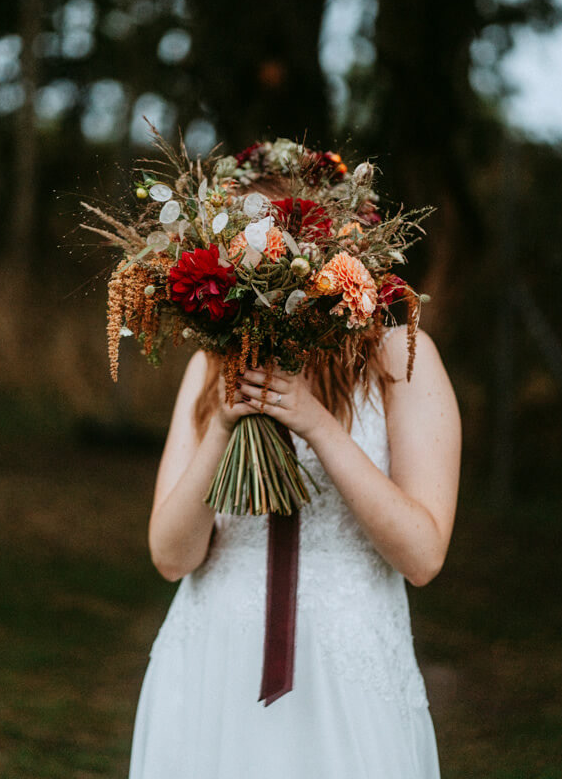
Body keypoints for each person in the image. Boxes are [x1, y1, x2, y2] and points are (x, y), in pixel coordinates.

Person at [127, 295, 462, 778]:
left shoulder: (400, 355)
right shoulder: (212, 363)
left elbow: (423, 556)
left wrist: (315, 423)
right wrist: (223, 425)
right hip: (212, 669)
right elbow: (170, 557)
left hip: (344, 675)